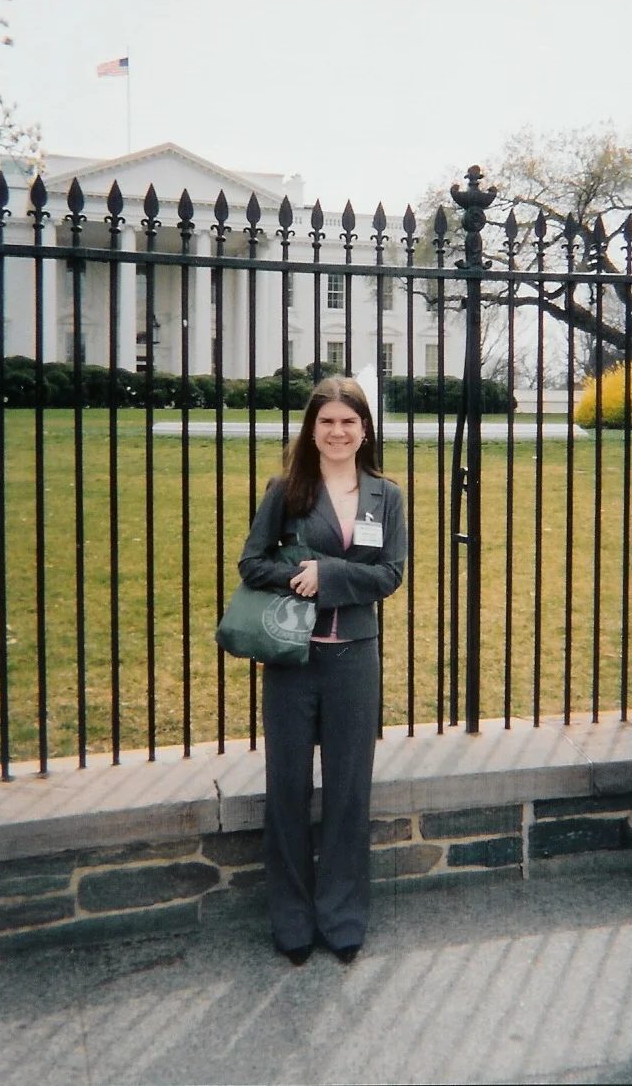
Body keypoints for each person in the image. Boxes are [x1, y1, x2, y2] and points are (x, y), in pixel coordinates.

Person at [238, 376, 407, 966]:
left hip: (353, 660)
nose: (338, 432)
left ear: (364, 430)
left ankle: (342, 915)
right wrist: (296, 577)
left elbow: (389, 574)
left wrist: (326, 573)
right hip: (291, 659)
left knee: (347, 792)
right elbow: (252, 562)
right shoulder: (286, 490)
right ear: (313, 430)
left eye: (349, 422)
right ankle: (290, 918)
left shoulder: (387, 495)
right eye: (327, 422)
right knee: (285, 789)